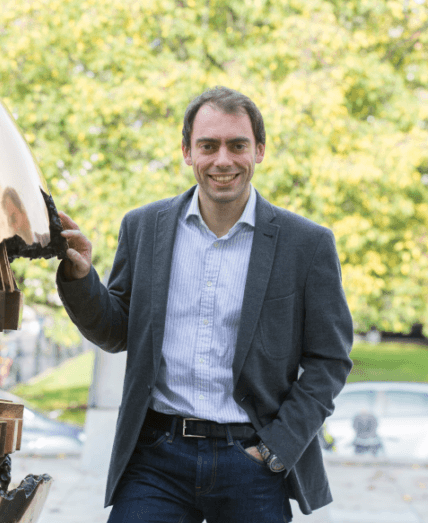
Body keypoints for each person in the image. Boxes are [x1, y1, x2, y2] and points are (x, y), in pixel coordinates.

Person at [56, 86, 353, 523]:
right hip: (157, 458)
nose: (223, 160)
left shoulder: (306, 244)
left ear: (260, 151)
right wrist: (81, 279)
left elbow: (329, 361)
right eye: (208, 146)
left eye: (238, 145)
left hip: (251, 461)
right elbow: (117, 330)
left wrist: (277, 450)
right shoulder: (143, 228)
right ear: (187, 152)